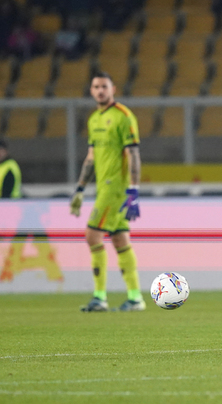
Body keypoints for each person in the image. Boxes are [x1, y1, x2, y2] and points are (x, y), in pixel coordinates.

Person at [70, 71, 144, 312]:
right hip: (103, 187)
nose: (100, 91)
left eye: (104, 86)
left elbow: (133, 155)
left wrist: (133, 191)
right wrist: (80, 188)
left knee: (92, 235)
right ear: (91, 91)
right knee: (120, 238)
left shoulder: (123, 117)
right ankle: (135, 298)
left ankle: (99, 297)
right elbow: (91, 158)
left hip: (116, 188)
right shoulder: (94, 120)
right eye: (96, 87)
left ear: (114, 89)